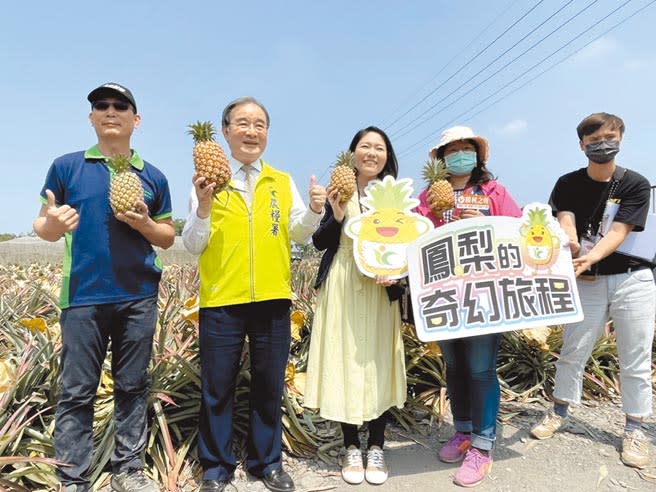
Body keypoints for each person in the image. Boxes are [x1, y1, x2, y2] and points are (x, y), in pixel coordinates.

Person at [33, 83, 175, 492]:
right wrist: (52, 226)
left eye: (120, 105)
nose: (110, 111)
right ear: (92, 117)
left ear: (136, 120)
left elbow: (166, 236)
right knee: (77, 389)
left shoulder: (153, 175)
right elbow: (42, 224)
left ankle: (128, 470)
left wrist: (144, 224)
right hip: (82, 296)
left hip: (138, 296)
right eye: (101, 106)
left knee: (133, 385)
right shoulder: (67, 166)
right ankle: (71, 476)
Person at [182, 96, 327, 492]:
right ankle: (215, 468)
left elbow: (299, 231)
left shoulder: (280, 180)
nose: (251, 131)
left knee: (268, 384)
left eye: (260, 124)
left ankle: (268, 463)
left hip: (272, 297)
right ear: (225, 131)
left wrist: (315, 210)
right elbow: (193, 244)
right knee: (217, 386)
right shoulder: (206, 181)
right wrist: (204, 206)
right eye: (242, 123)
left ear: (266, 133)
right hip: (221, 299)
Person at [530, 113, 655, 468]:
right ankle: (559, 411)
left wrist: (591, 256)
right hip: (586, 279)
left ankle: (634, 428)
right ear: (582, 145)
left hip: (633, 278)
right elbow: (564, 217)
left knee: (635, 356)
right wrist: (569, 240)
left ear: (621, 139)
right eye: (594, 139)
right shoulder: (567, 182)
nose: (603, 144)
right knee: (573, 348)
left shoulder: (635, 183)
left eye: (610, 137)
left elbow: (620, 231)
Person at [416, 126, 522, 488]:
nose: (461, 154)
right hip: (442, 295)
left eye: (467, 148)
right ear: (441, 159)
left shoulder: (494, 192)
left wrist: (489, 225)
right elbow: (413, 237)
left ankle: (482, 443)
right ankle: (462, 431)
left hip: (483, 295)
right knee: (454, 365)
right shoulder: (428, 197)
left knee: (480, 368)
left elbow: (519, 233)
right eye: (453, 149)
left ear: (478, 155)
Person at [304, 126, 406, 486]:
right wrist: (336, 212)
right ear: (352, 153)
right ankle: (350, 445)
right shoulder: (339, 189)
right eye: (365, 146)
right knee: (345, 359)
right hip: (344, 280)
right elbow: (320, 242)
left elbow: (410, 245)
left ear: (387, 156)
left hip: (382, 285)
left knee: (377, 360)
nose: (372, 153)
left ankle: (376, 445)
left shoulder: (393, 196)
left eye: (379, 148)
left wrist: (397, 275)